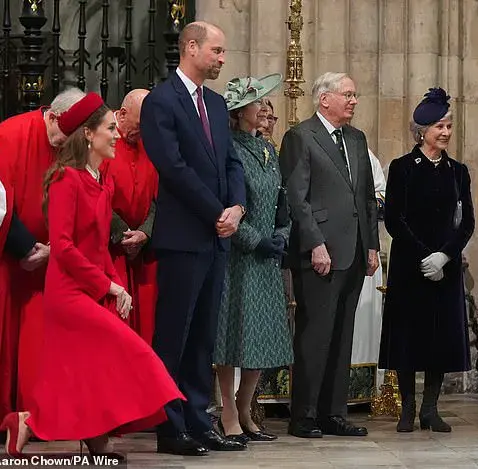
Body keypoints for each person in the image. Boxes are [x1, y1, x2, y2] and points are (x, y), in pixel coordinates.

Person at [0, 92, 184, 458]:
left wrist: (110, 287)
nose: (117, 135)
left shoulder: (102, 180)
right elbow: (64, 247)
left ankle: (69, 431)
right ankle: (30, 421)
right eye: (110, 129)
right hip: (67, 294)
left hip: (90, 290)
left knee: (86, 369)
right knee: (132, 352)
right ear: (88, 135)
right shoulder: (66, 179)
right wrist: (110, 285)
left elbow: (98, 246)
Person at [140, 21, 247, 455]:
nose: (222, 59)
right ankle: (170, 425)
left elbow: (232, 163)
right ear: (191, 47)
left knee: (204, 334)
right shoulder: (160, 102)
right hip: (184, 236)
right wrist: (215, 211)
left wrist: (237, 208)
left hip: (218, 236)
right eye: (217, 51)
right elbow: (173, 167)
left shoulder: (218, 106)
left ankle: (200, 420)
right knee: (175, 335)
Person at [279, 71, 380, 439]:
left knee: (342, 335)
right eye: (347, 95)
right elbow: (296, 198)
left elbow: (367, 198)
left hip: (353, 251)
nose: (353, 101)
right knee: (315, 335)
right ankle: (304, 414)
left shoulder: (356, 138)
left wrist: (372, 246)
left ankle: (333, 413)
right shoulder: (300, 136)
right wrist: (315, 243)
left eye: (355, 95)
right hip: (319, 252)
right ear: (325, 99)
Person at [378, 88, 475, 433]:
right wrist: (424, 255)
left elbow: (467, 223)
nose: (446, 132)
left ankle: (431, 409)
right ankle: (407, 409)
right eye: (439, 127)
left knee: (439, 339)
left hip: (445, 267)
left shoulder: (458, 172)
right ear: (422, 131)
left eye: (449, 126)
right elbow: (394, 219)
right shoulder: (402, 168)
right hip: (411, 265)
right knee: (408, 338)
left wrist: (445, 255)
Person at [214, 74, 293, 443]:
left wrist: (281, 234)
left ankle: (246, 408)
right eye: (256, 102)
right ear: (238, 112)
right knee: (233, 337)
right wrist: (254, 240)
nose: (264, 108)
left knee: (261, 338)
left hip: (267, 259)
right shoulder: (229, 148)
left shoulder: (268, 150)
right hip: (240, 257)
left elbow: (281, 203)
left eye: (264, 101)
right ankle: (227, 412)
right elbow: (226, 206)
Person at [0, 88, 86, 423]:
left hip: (50, 261)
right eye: (63, 135)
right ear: (51, 116)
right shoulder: (10, 134)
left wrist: (53, 249)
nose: (64, 146)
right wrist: (24, 247)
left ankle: (36, 414)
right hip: (10, 256)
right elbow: (0, 199)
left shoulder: (69, 142)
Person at [103, 88, 158, 344]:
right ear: (122, 115)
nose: (143, 132)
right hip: (111, 252)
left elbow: (160, 197)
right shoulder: (102, 137)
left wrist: (145, 233)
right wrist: (124, 236)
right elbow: (94, 192)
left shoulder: (150, 144)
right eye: (138, 125)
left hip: (143, 255)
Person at [351, 150, 386, 388]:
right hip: (328, 246)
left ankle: (363, 388)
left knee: (362, 322)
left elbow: (381, 196)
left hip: (364, 245)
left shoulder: (363, 153)